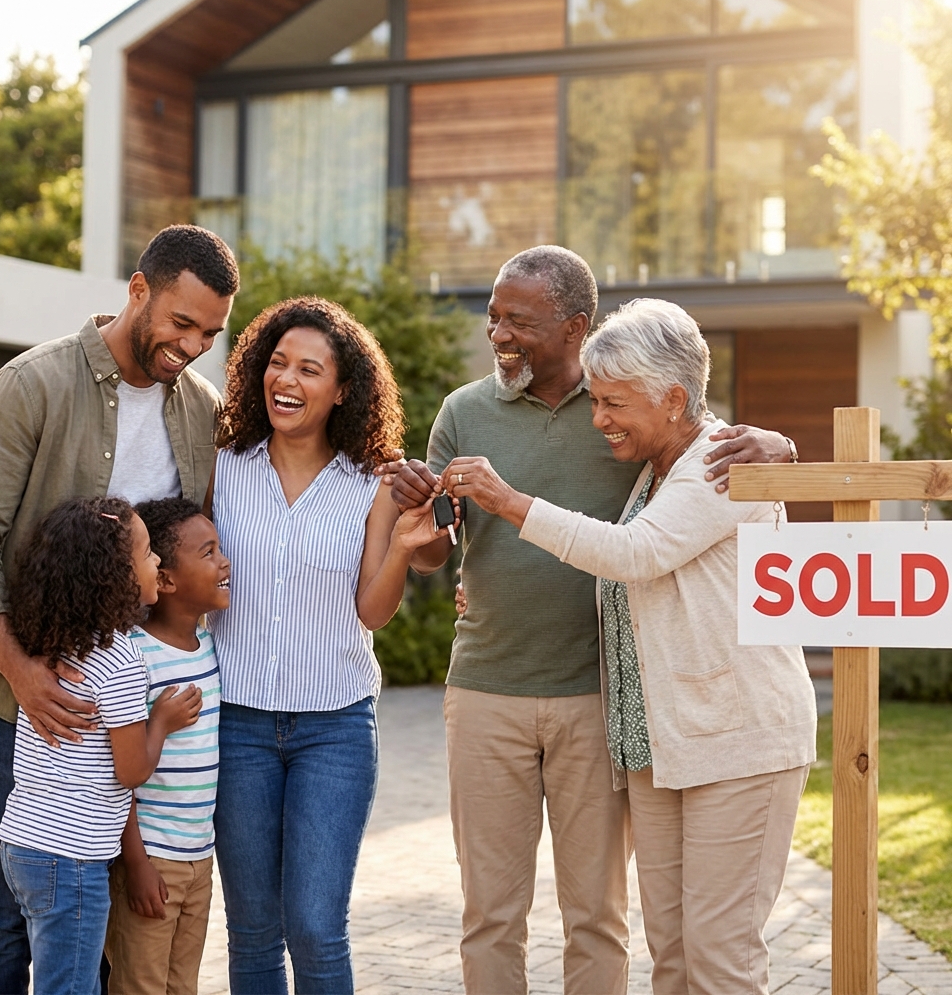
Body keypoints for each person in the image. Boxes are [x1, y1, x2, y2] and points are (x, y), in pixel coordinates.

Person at [380, 246, 797, 995]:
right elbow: (443, 548)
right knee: (665, 949)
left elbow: (639, 548)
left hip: (673, 719)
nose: (601, 420)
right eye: (493, 317)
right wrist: (425, 533)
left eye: (520, 319)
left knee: (685, 945)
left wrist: (785, 447)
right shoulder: (637, 457)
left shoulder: (693, 452)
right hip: (634, 728)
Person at [0, 224, 238, 995]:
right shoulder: (31, 384)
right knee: (8, 909)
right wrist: (22, 670)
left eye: (210, 333)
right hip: (20, 705)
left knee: (100, 913)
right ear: (138, 290)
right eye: (182, 323)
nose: (193, 346)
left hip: (128, 703)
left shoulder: (201, 412)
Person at [207, 296, 454, 994]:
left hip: (335, 730)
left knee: (316, 927)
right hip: (236, 726)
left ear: (343, 390)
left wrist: (403, 547)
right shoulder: (223, 467)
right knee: (253, 930)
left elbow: (372, 612)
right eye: (278, 363)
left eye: (309, 369)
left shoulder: (373, 485)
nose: (287, 379)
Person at [0, 496, 203, 995]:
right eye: (148, 554)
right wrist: (161, 724)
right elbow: (131, 771)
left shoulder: (45, 639)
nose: (157, 562)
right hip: (73, 860)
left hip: (21, 847)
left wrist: (8, 640)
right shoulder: (120, 661)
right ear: (115, 576)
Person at [104, 498, 229, 995]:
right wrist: (135, 864)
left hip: (199, 859)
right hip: (151, 858)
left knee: (183, 985)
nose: (225, 562)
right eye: (209, 552)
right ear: (167, 580)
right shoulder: (135, 655)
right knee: (141, 985)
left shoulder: (211, 646)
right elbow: (119, 770)